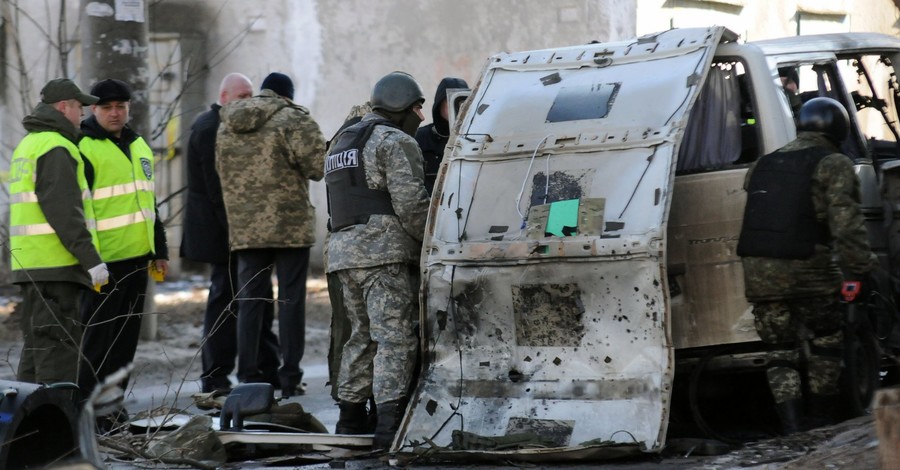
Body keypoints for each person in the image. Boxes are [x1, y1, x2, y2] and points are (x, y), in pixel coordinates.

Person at [737, 97, 877, 434]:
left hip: (758, 273)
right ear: (837, 129)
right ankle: (821, 422)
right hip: (808, 270)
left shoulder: (762, 163)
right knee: (826, 340)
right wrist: (862, 270)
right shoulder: (833, 163)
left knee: (779, 350)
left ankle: (792, 428)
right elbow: (847, 226)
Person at [325, 71, 430, 449]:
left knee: (360, 339)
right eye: (418, 107)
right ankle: (388, 429)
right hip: (382, 256)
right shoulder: (394, 141)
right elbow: (412, 206)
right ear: (401, 104)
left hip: (342, 256)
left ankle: (350, 423)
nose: (422, 116)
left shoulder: (341, 140)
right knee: (394, 340)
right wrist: (434, 246)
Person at [216, 72, 326, 398]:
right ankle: (290, 376)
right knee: (290, 302)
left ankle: (248, 376)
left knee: (250, 303)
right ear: (287, 96)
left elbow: (223, 172)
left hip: (247, 229)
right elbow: (319, 168)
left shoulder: (227, 123)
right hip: (289, 228)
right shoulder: (294, 119)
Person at [181, 73, 280, 394]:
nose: (247, 103)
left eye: (251, 96)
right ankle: (216, 376)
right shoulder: (211, 128)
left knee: (256, 300)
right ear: (224, 97)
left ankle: (263, 370)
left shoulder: (225, 125)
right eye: (241, 97)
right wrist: (239, 232)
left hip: (236, 231)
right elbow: (217, 190)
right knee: (227, 302)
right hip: (223, 233)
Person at [8, 79, 108, 387]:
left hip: (32, 266)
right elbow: (65, 213)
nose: (83, 115)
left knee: (37, 353)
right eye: (80, 107)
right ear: (64, 107)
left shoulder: (30, 144)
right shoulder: (57, 147)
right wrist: (91, 260)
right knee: (58, 358)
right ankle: (54, 431)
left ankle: (24, 432)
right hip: (56, 268)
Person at [77, 79, 169, 405]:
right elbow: (77, 209)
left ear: (129, 107)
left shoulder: (139, 144)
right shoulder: (83, 146)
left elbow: (149, 203)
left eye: (121, 107)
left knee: (125, 345)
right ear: (93, 109)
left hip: (137, 260)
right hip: (102, 264)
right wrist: (88, 260)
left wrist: (159, 250)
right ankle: (87, 412)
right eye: (107, 107)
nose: (115, 113)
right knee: (97, 343)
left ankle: (111, 411)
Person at [415, 77, 468, 195]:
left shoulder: (473, 138)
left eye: (462, 104)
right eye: (449, 103)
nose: (457, 109)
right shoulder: (420, 138)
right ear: (439, 105)